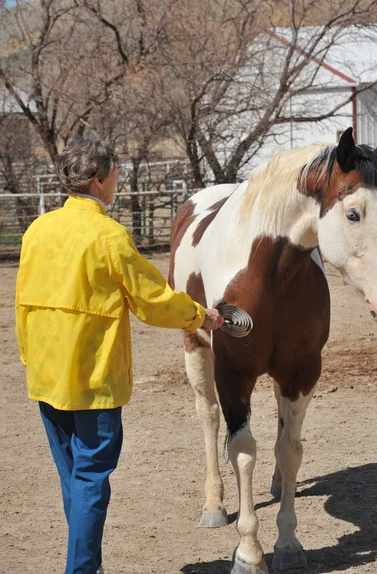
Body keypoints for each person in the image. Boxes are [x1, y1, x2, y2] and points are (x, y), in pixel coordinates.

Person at [15, 135, 224, 574]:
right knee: (92, 478)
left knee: (75, 477)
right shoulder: (109, 236)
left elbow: (23, 303)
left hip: (46, 376)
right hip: (94, 381)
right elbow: (153, 301)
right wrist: (199, 316)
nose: (117, 183)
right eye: (114, 176)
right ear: (97, 179)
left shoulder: (38, 230)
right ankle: (83, 569)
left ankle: (84, 564)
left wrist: (28, 358)